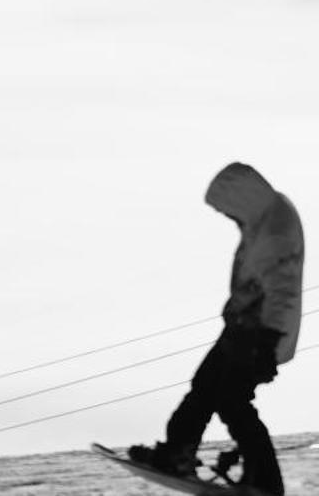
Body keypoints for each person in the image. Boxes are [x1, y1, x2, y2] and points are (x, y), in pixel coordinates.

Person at [128, 162, 305, 493]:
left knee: (232, 401)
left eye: (228, 210)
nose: (228, 218)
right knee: (205, 388)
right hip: (243, 328)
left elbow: (282, 288)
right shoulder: (262, 221)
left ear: (242, 198)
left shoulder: (275, 228)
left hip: (259, 334)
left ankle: (265, 482)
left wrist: (268, 341)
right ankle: (176, 453)